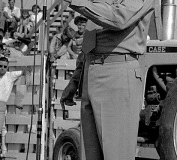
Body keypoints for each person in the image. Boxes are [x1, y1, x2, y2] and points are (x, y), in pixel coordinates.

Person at [63, 0, 155, 160]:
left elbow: (119, 18)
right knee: (89, 154)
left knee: (116, 154)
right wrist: (76, 79)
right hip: (91, 71)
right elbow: (90, 38)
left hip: (116, 73)